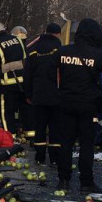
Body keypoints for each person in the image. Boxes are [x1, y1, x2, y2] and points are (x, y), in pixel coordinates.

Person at [53, 18, 102, 192]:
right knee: (87, 145)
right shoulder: (98, 55)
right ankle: (86, 182)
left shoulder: (63, 52)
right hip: (88, 107)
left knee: (66, 143)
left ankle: (63, 180)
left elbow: (51, 67)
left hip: (66, 105)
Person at [23, 23, 63, 165]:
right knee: (55, 127)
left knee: (39, 127)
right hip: (56, 96)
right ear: (58, 34)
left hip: (38, 95)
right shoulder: (60, 50)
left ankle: (40, 157)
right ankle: (54, 158)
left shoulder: (33, 49)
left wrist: (28, 94)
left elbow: (27, 74)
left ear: (45, 32)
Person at [0, 22, 27, 136]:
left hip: (7, 84)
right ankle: (28, 134)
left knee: (7, 111)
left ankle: (10, 136)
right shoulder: (17, 40)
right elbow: (25, 60)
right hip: (23, 82)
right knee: (24, 108)